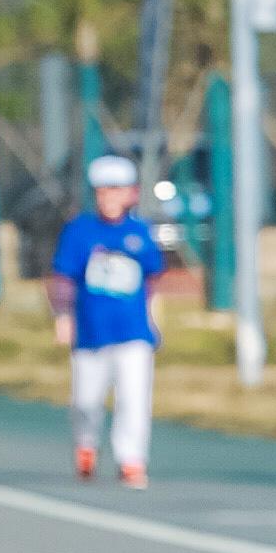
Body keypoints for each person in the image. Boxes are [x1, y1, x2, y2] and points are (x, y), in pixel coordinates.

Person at [48, 149, 172, 485]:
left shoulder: (140, 233)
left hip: (132, 331)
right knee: (86, 401)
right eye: (103, 191)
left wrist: (154, 319)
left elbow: (152, 281)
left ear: (131, 194)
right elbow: (63, 278)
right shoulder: (80, 231)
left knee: (134, 399)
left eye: (117, 190)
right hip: (91, 332)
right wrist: (63, 317)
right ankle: (86, 444)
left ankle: (131, 459)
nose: (110, 198)